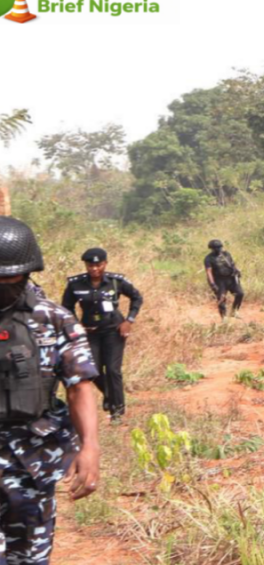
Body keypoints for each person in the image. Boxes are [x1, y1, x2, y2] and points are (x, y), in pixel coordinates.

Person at [0, 216, 100, 565]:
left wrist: (90, 447)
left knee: (27, 557)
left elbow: (79, 386)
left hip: (30, 459)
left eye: (9, 278)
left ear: (28, 272)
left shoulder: (53, 320)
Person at [61, 248, 143, 424]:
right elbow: (66, 306)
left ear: (105, 264)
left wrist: (128, 321)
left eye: (98, 265)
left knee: (113, 370)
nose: (94, 269)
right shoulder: (76, 284)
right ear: (86, 265)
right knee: (93, 371)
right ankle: (109, 394)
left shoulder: (116, 281)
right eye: (90, 265)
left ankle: (117, 411)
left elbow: (137, 298)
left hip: (114, 331)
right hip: (90, 332)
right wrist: (76, 325)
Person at [204, 239, 244, 319]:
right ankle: (224, 318)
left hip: (231, 278)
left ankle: (234, 311)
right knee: (221, 299)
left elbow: (232, 264)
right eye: (216, 248)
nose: (218, 249)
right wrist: (212, 284)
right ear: (212, 249)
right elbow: (209, 272)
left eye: (219, 247)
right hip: (219, 280)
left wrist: (237, 270)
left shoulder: (226, 254)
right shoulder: (208, 258)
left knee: (240, 293)